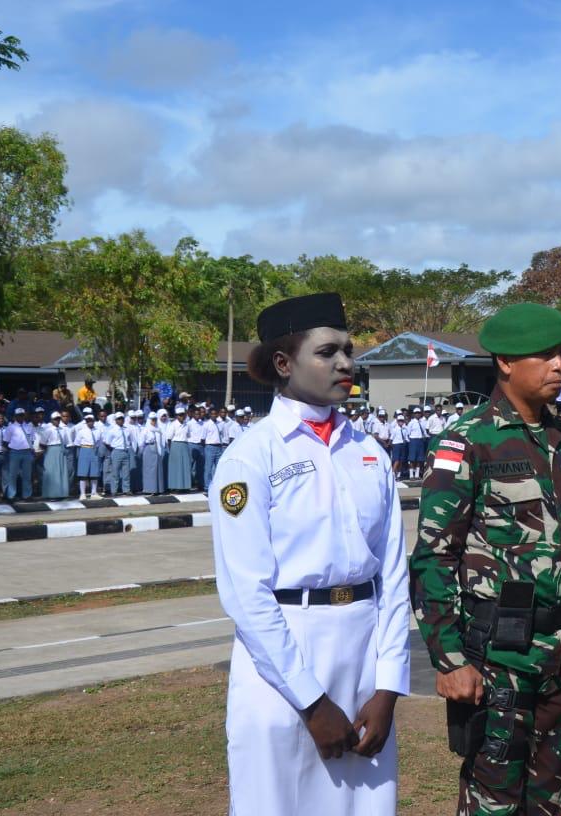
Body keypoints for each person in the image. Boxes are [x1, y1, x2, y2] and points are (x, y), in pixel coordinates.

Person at [410, 302, 561, 816]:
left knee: (560, 796)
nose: (559, 366)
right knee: (493, 797)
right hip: (499, 656)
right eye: (545, 355)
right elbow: (434, 557)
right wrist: (450, 658)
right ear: (505, 361)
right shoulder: (466, 441)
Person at [209, 292, 409, 814]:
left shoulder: (369, 453)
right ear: (284, 363)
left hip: (363, 652)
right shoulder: (251, 457)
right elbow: (246, 594)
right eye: (327, 352)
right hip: (284, 662)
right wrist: (313, 703)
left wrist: (387, 688)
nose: (346, 363)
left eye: (347, 350)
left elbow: (392, 577)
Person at [3, 407, 35, 501]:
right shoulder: (11, 427)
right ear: (15, 416)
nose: (20, 417)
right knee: (12, 475)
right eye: (18, 415)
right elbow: (5, 442)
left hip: (27, 452)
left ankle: (27, 495)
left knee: (27, 475)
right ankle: (11, 495)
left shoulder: (29, 427)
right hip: (14, 452)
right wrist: (12, 449)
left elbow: (32, 440)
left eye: (22, 415)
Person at [38, 412, 72, 499]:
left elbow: (67, 442)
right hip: (51, 450)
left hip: (61, 451)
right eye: (55, 419)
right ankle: (51, 494)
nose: (57, 421)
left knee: (62, 472)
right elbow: (42, 443)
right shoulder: (48, 430)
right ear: (51, 420)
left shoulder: (63, 430)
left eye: (58, 419)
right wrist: (48, 451)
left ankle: (62, 493)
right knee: (51, 472)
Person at [165, 406, 193, 492]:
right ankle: (175, 486)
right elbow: (169, 438)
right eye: (180, 415)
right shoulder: (173, 425)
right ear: (177, 416)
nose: (182, 417)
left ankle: (185, 486)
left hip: (184, 445)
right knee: (175, 467)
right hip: (175, 445)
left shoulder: (186, 425)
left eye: (183, 415)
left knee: (185, 466)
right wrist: (171, 450)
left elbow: (188, 436)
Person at [406, 405, 429, 480]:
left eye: (419, 413)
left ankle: (417, 475)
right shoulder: (411, 423)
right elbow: (407, 433)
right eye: (416, 413)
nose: (417, 414)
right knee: (412, 459)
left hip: (420, 441)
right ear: (413, 414)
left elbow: (424, 432)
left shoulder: (422, 422)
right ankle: (411, 475)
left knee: (419, 459)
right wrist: (409, 442)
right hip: (413, 441)